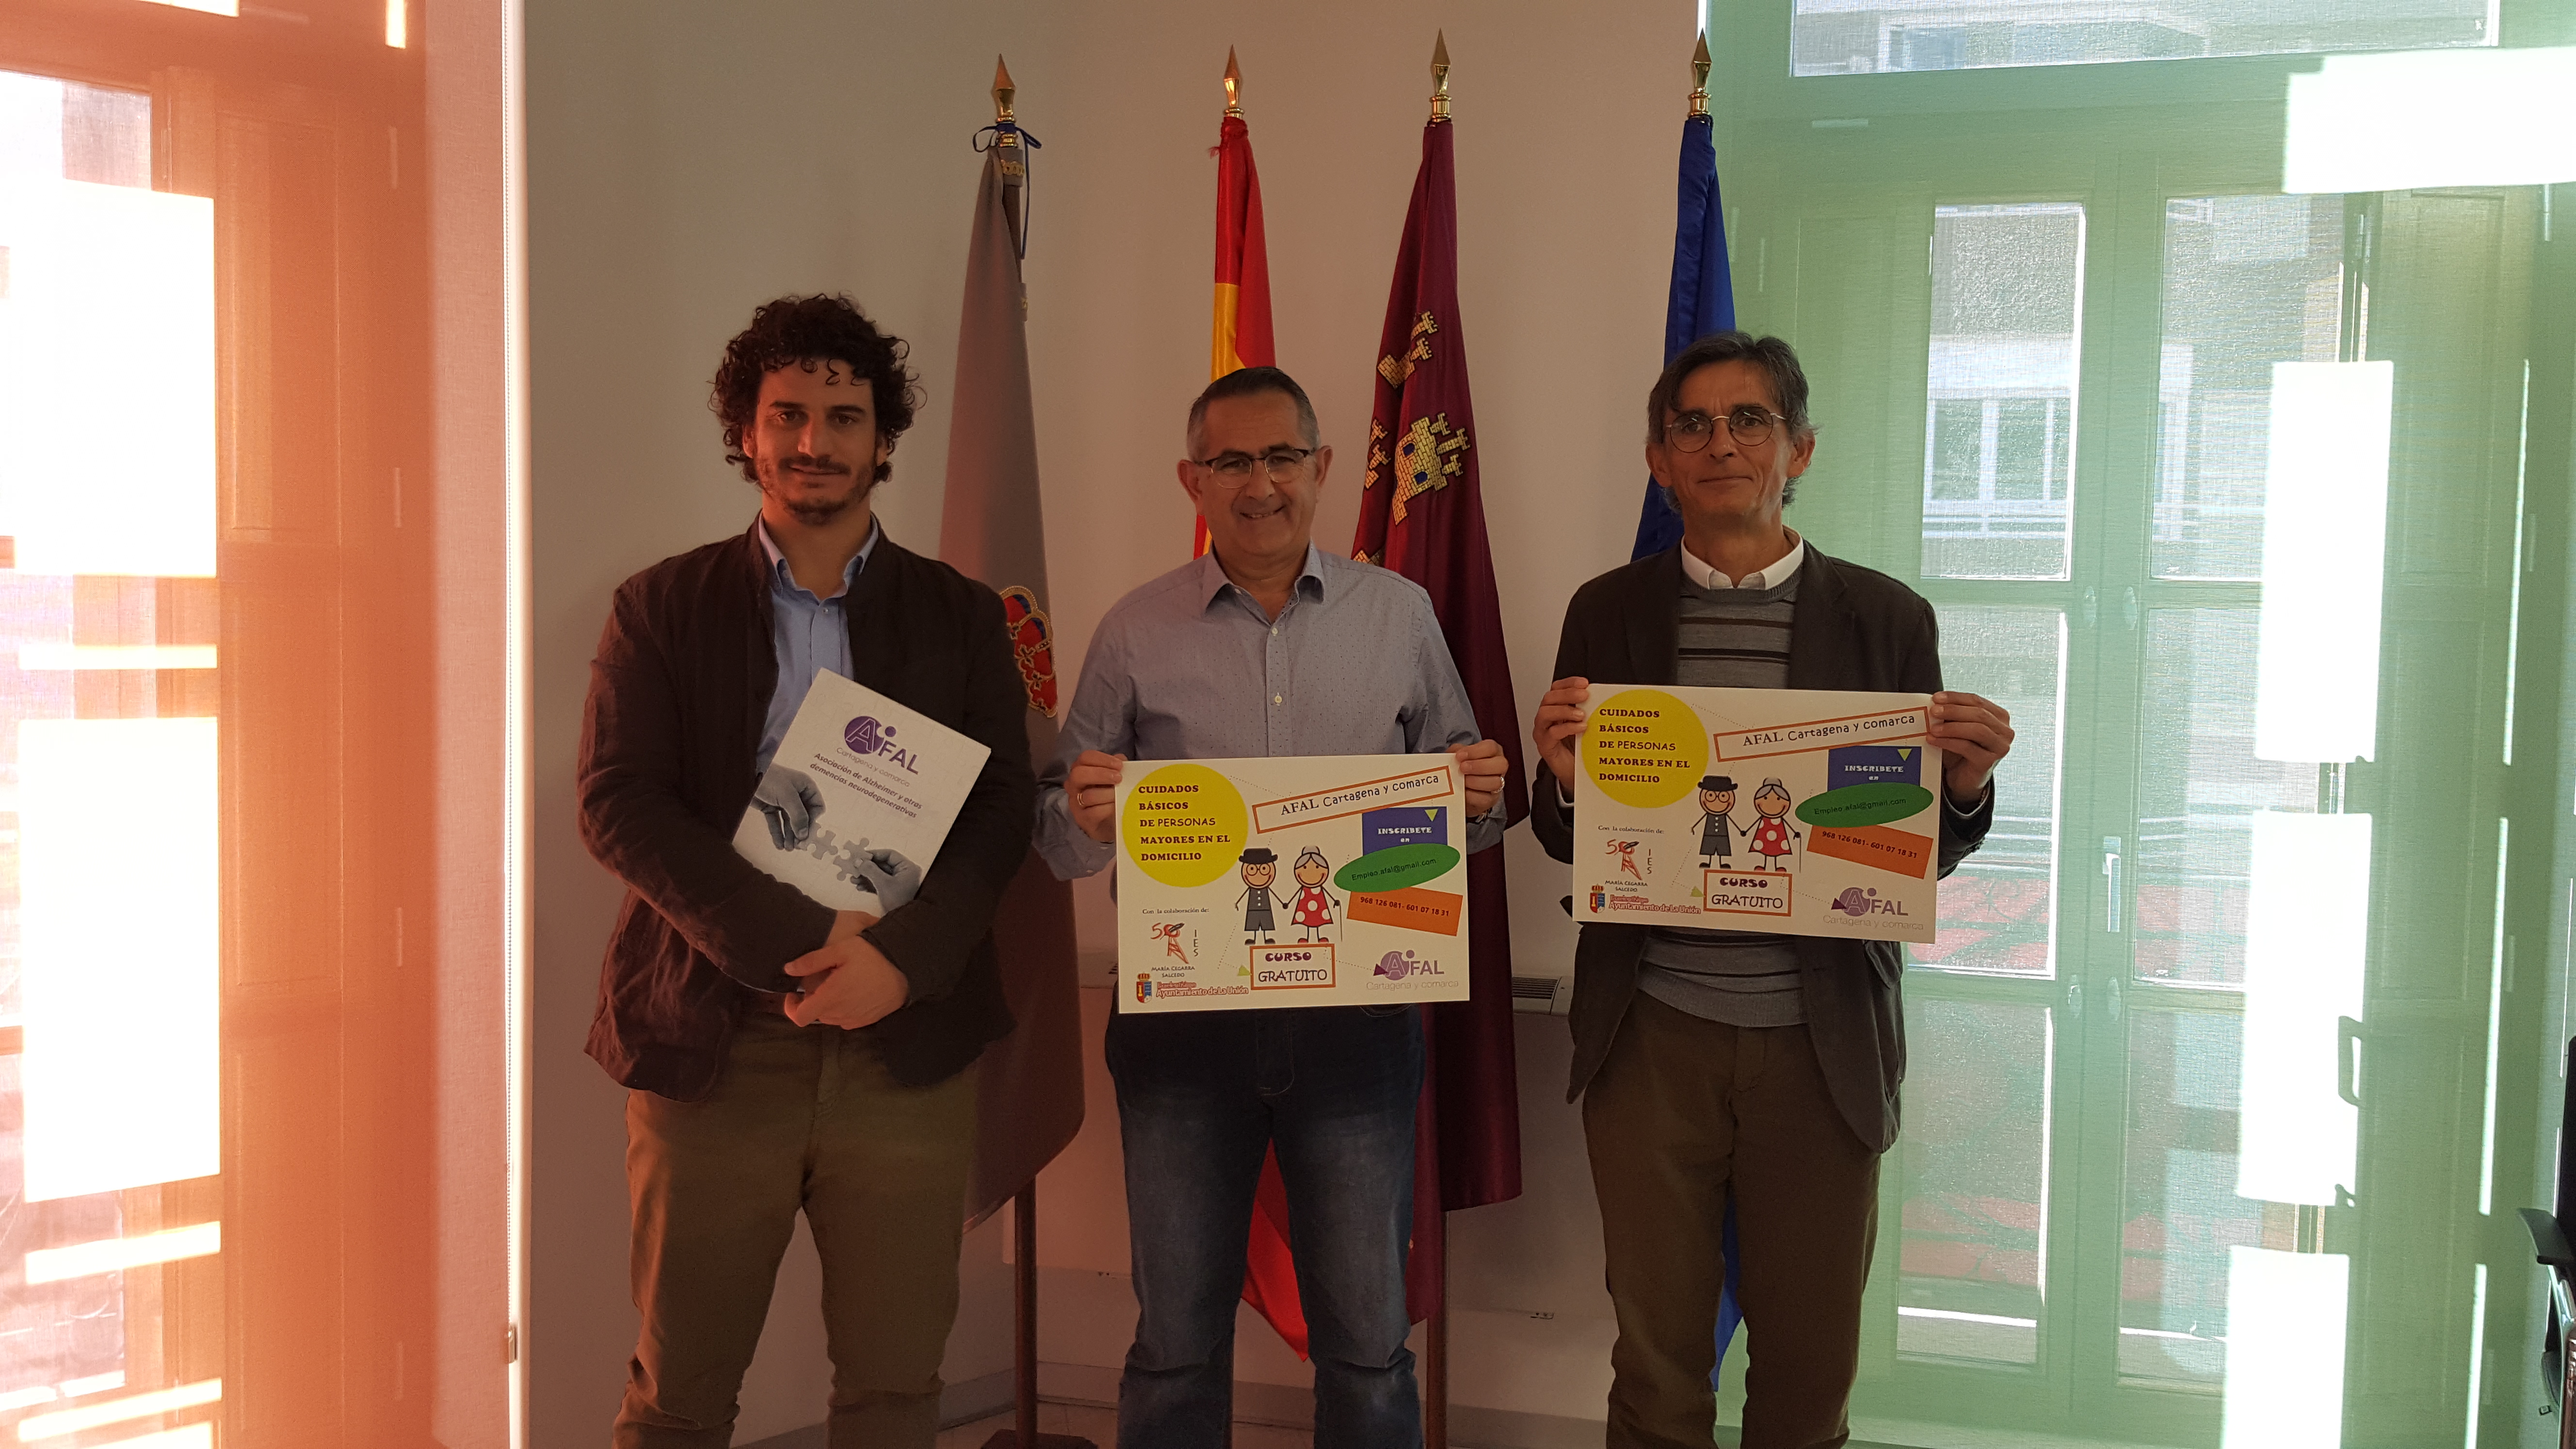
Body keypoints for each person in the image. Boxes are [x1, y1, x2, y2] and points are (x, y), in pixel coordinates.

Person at [1530, 331, 2016, 1449]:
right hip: (1651, 1037)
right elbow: (1572, 838)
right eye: (1692, 424)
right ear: (1658, 459)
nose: (1721, 443)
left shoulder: (1885, 618)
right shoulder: (1605, 611)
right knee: (1654, 1366)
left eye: (1748, 419)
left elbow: (1908, 853)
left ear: (1797, 449)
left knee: (1807, 1369)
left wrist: (1961, 788)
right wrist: (1561, 780)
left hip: (1820, 1041)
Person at [576, 294, 1035, 1449]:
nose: (812, 441)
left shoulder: (960, 614)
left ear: (883, 439)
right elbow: (618, 800)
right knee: (678, 1398)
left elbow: (998, 811)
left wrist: (900, 961)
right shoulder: (659, 605)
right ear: (746, 432)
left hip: (904, 1045)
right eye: (786, 414)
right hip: (711, 1038)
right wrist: (804, 938)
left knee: (894, 1391)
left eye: (843, 416)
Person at [1034, 365, 1509, 1449]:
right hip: (1179, 1031)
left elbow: (1464, 821)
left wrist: (1478, 798)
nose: (1261, 484)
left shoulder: (1400, 615)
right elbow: (1057, 834)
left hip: (1358, 1027)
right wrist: (1086, 813)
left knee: (1368, 1342)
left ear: (1323, 466)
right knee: (1174, 1340)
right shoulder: (1134, 631)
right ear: (1192, 480)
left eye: (1283, 457)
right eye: (1232, 461)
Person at [1694, 774, 1741, 867]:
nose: (1717, 800)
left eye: (1723, 796)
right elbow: (1700, 820)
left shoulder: (1724, 816)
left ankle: (1721, 863)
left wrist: (1740, 830)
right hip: (1709, 834)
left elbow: (1732, 821)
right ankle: (1709, 862)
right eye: (1711, 795)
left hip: (1723, 835)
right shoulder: (1709, 815)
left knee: (1722, 848)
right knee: (1709, 848)